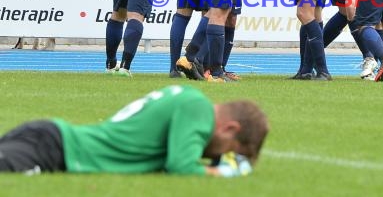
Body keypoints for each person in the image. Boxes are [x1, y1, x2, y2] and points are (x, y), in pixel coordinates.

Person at [0, 85, 269, 176]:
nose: (215, 156)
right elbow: (182, 167)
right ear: (230, 128)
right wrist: (224, 173)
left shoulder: (188, 98)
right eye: (228, 151)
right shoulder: (197, 106)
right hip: (52, 149)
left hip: (50, 139)